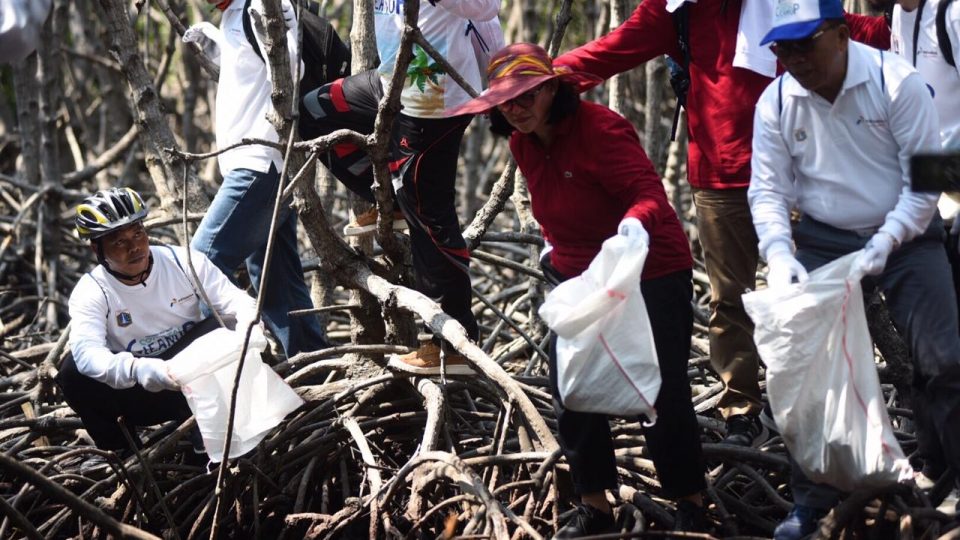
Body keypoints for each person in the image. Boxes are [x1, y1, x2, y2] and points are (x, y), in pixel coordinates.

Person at [552, 0, 890, 446]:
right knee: (730, 300)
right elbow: (607, 52)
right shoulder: (676, 11)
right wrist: (532, 83)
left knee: (818, 296)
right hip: (719, 177)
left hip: (801, 173)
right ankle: (741, 411)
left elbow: (866, 33)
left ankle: (825, 409)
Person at [450, 43, 708, 537]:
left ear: (552, 89)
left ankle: (690, 503)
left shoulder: (602, 129)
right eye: (505, 100)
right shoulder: (522, 142)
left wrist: (631, 228)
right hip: (576, 276)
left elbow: (648, 196)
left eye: (525, 95)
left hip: (648, 270)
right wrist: (553, 249)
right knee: (571, 390)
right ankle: (595, 505)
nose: (515, 107)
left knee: (662, 389)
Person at [748, 0, 960, 536]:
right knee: (808, 369)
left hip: (908, 234)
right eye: (783, 48)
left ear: (841, 34)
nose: (794, 59)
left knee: (944, 360)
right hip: (821, 240)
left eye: (805, 43)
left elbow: (927, 181)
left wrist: (886, 240)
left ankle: (954, 478)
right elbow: (768, 190)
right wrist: (778, 253)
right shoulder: (775, 101)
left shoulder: (897, 83)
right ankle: (812, 503)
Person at [299, 0, 502, 371]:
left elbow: (487, 8)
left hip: (435, 102)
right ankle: (389, 202)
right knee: (314, 111)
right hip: (390, 81)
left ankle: (452, 342)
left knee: (428, 216)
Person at [62, 188, 261, 472]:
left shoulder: (182, 261)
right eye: (119, 242)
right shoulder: (92, 291)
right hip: (141, 389)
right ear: (97, 249)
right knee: (72, 373)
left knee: (227, 325)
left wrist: (252, 326)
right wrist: (142, 370)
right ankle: (120, 452)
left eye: (138, 234)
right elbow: (87, 354)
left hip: (195, 376)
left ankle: (210, 435)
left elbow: (233, 300)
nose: (134, 247)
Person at [184, 0, 328, 358]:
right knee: (273, 276)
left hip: (261, 165)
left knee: (200, 265)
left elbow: (289, 69)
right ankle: (314, 361)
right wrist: (216, 44)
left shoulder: (262, 7)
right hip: (255, 164)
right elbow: (254, 76)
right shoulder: (234, 12)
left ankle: (234, 363)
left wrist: (272, 30)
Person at [881, 0, 960, 498]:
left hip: (951, 195)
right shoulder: (899, 14)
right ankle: (938, 463)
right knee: (929, 355)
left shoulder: (952, 15)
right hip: (927, 202)